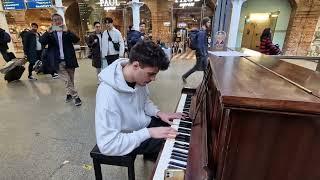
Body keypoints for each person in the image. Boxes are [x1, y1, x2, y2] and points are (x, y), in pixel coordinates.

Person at [95, 40, 184, 158]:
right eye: (151, 74)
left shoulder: (138, 79)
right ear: (136, 65)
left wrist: (158, 113)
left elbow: (144, 101)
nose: (153, 79)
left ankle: (153, 156)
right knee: (177, 143)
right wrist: (149, 133)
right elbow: (108, 145)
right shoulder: (107, 94)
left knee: (178, 128)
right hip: (127, 137)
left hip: (143, 125)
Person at [40, 13, 82, 106]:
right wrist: (47, 32)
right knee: (67, 80)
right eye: (54, 20)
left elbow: (76, 40)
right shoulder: (50, 33)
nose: (57, 21)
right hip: (57, 61)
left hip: (69, 59)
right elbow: (42, 41)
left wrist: (68, 31)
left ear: (62, 21)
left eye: (59, 19)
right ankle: (76, 96)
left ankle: (68, 94)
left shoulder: (66, 31)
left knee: (71, 80)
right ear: (52, 22)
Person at [181, 17, 211, 83]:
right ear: (205, 23)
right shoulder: (202, 32)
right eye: (208, 22)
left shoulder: (203, 31)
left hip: (203, 54)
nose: (210, 24)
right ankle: (184, 76)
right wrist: (204, 54)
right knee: (198, 68)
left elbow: (203, 44)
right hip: (202, 54)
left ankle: (206, 82)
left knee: (205, 68)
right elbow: (200, 45)